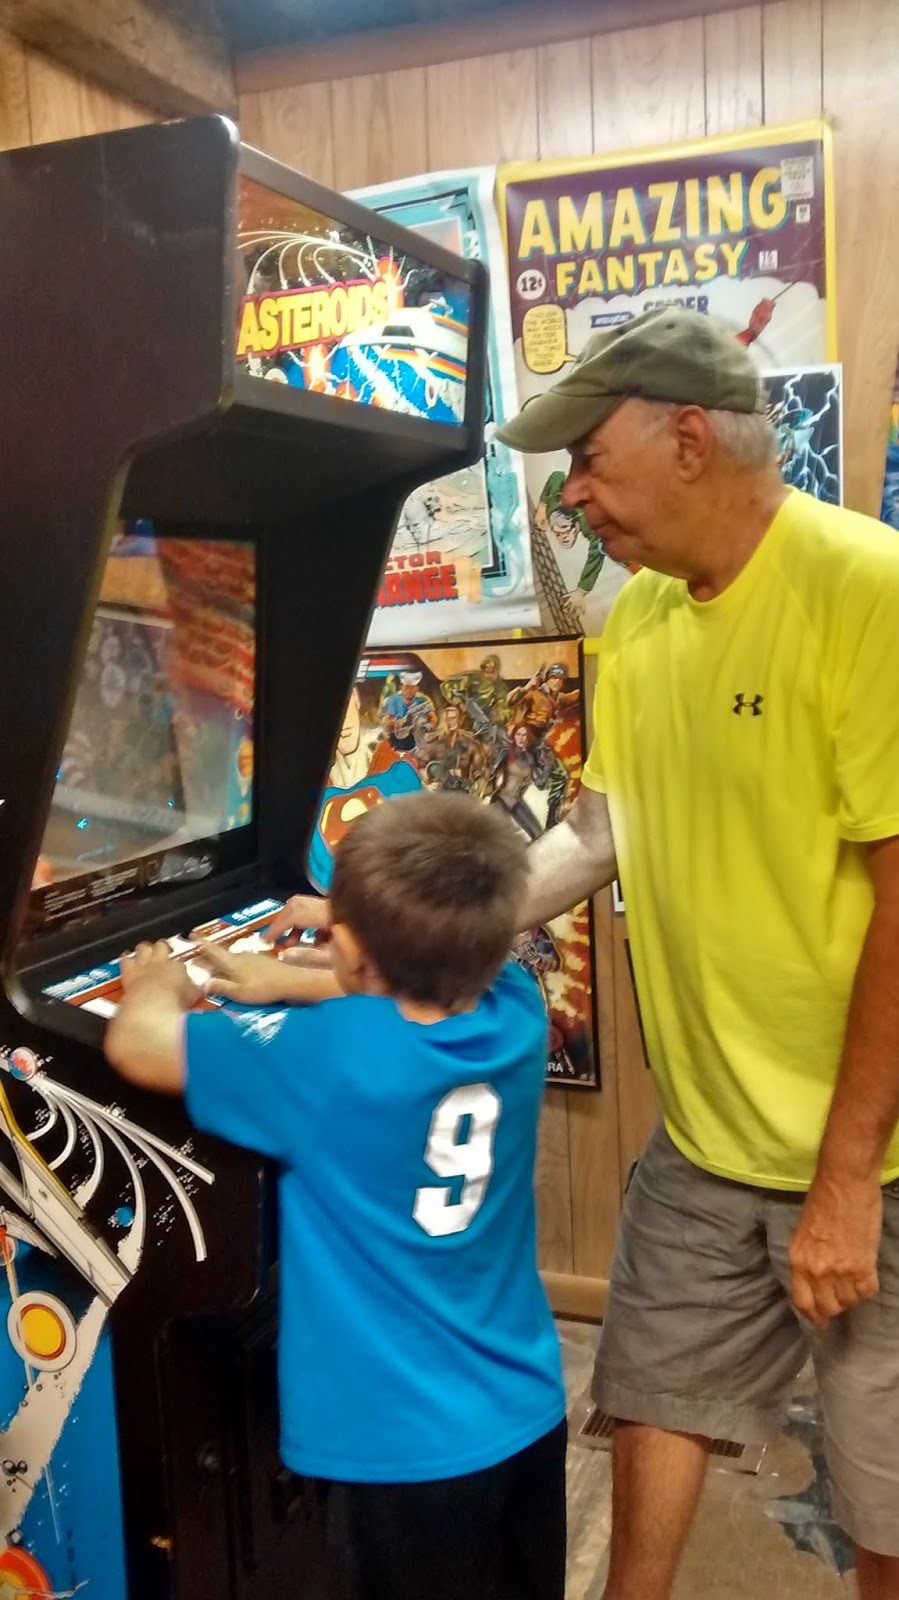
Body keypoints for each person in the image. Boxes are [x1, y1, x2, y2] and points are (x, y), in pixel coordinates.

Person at [484, 305, 899, 1600]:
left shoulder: (865, 589)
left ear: (683, 440)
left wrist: (843, 1181)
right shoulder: (639, 621)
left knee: (883, 1499)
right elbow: (595, 834)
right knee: (651, 1395)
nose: (571, 494)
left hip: (872, 1158)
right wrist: (414, 924)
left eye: (584, 459)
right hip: (704, 1143)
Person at [104, 791, 567, 1600]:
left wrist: (157, 981)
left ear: (347, 948)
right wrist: (293, 971)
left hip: (400, 1450)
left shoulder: (323, 1059)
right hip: (524, 1410)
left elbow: (138, 1045)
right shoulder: (517, 1010)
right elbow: (409, 996)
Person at [378, 669, 437, 753]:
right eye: (406, 687)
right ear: (401, 687)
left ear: (417, 688)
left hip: (417, 742)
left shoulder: (422, 701)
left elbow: (433, 718)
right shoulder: (392, 700)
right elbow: (386, 720)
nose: (409, 690)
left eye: (412, 687)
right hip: (395, 740)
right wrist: (397, 724)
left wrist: (427, 727)